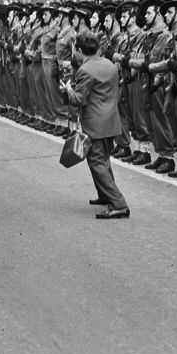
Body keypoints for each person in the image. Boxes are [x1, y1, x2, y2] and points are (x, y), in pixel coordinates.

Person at [60, 32, 131, 219]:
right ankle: (104, 195)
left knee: (97, 162)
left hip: (95, 123)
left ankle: (118, 204)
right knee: (103, 160)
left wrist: (68, 89)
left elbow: (79, 100)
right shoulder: (109, 64)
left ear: (80, 50)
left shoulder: (84, 70)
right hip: (111, 120)